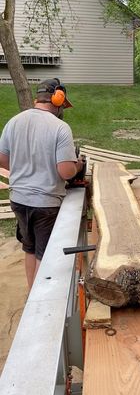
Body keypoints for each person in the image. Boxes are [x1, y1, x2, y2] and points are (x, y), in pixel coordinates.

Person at [0, 78, 83, 289]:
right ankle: (38, 305)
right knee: (43, 255)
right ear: (58, 99)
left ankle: (31, 293)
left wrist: (26, 167)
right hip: (45, 203)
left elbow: (2, 160)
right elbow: (65, 172)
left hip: (18, 199)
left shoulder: (15, 121)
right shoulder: (60, 128)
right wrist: (78, 166)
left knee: (29, 248)